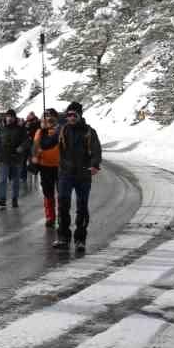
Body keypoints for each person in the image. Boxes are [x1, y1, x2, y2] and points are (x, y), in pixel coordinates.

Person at [55, 101, 103, 248]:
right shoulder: (62, 130)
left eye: (74, 115)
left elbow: (96, 150)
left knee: (82, 206)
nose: (71, 117)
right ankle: (63, 236)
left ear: (79, 115)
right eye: (69, 115)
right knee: (63, 204)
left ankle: (80, 239)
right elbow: (47, 143)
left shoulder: (89, 132)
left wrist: (94, 165)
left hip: (83, 175)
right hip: (65, 174)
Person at [31, 108, 62, 229]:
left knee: (61, 194)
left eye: (51, 117)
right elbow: (34, 147)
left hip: (60, 167)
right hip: (45, 167)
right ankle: (50, 217)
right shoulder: (40, 131)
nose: (49, 119)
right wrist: (35, 156)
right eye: (46, 117)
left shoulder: (61, 131)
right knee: (48, 193)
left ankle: (61, 216)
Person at [0, 109, 31, 209]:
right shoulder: (1, 128)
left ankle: (14, 198)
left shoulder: (20, 128)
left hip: (16, 158)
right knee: (2, 180)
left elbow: (27, 141)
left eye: (11, 116)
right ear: (5, 117)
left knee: (15, 180)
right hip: (4, 158)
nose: (9, 118)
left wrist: (22, 147)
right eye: (8, 116)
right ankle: (2, 199)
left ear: (14, 117)